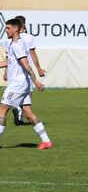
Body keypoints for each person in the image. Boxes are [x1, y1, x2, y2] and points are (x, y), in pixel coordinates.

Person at [0, 19, 53, 150]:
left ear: (15, 29)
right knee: (28, 112)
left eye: (8, 28)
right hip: (23, 84)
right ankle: (46, 141)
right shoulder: (17, 43)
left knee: (2, 110)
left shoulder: (16, 45)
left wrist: (36, 81)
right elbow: (11, 62)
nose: (5, 30)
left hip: (17, 85)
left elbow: (26, 64)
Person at [7, 15, 46, 126]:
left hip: (13, 74)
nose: (6, 30)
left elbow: (9, 59)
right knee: (27, 96)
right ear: (23, 25)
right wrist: (39, 69)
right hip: (26, 73)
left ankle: (18, 110)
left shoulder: (11, 40)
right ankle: (19, 111)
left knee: (4, 108)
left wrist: (5, 72)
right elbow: (32, 54)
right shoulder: (29, 37)